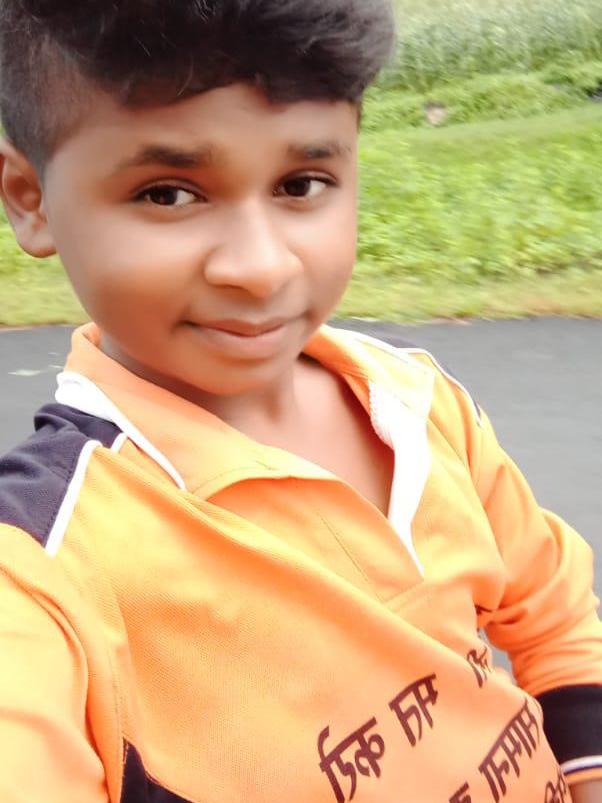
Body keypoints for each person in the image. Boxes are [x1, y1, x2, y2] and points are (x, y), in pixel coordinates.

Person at [0, 1, 599, 801]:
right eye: (168, 194)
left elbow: (558, 622)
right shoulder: (45, 570)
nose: (260, 268)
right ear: (29, 197)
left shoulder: (416, 401)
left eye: (301, 184)